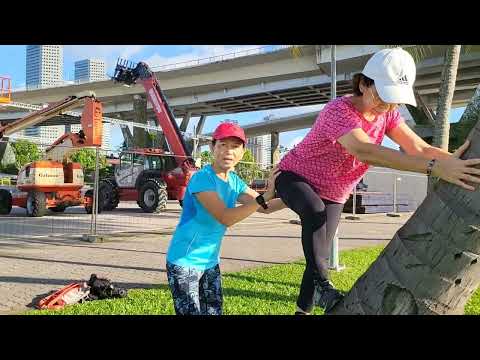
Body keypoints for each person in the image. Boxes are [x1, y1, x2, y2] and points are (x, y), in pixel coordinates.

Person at [275, 47, 480, 315]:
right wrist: (435, 167)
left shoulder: (389, 114)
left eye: (396, 99)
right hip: (295, 176)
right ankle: (324, 287)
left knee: (319, 254)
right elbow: (365, 150)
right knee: (315, 215)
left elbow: (417, 148)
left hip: (335, 192)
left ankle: (302, 311)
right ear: (363, 84)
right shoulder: (339, 110)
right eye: (384, 95)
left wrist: (453, 162)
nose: (390, 104)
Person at [165, 122, 284, 315]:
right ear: (212, 147)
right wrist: (264, 197)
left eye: (235, 146)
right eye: (223, 145)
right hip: (184, 262)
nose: (228, 151)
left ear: (243, 152)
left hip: (210, 262)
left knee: (213, 311)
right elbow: (225, 217)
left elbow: (266, 207)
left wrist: (295, 199)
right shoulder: (202, 178)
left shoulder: (234, 181)